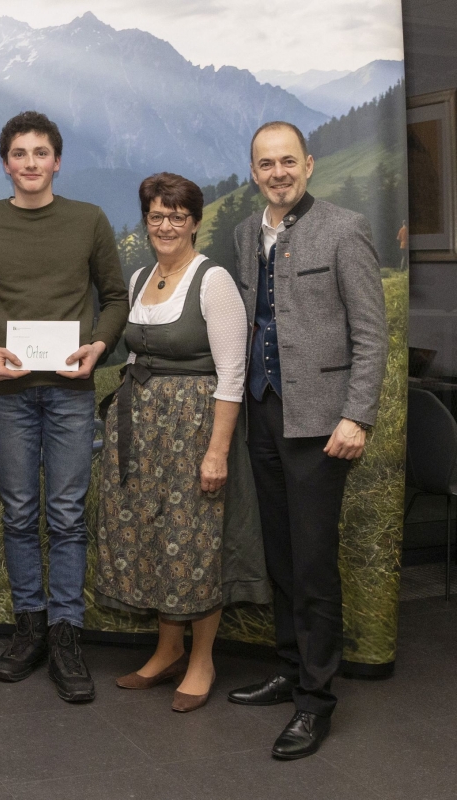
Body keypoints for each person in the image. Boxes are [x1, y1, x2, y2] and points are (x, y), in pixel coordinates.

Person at [226, 122, 388, 759]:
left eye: (287, 161)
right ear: (254, 172)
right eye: (266, 164)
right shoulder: (246, 234)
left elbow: (371, 336)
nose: (278, 173)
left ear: (309, 164)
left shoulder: (344, 229)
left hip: (323, 423)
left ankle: (316, 702)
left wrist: (358, 416)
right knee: (282, 556)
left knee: (315, 563)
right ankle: (293, 668)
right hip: (262, 416)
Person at [0, 110, 128, 702]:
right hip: (7, 392)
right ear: (5, 163)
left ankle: (65, 633)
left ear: (57, 161)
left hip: (69, 390)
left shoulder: (89, 220)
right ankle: (28, 625)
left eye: (41, 153)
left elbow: (114, 297)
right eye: (19, 154)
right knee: (17, 511)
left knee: (66, 515)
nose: (30, 164)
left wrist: (99, 347)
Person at [95, 173, 269, 712]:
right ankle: (167, 650)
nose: (165, 225)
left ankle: (202, 659)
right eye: (156, 215)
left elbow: (233, 372)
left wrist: (216, 450)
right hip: (142, 430)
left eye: (177, 215)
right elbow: (132, 354)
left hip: (195, 429)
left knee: (194, 542)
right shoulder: (140, 276)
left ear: (195, 222)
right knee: (151, 535)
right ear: (146, 221)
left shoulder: (211, 279)